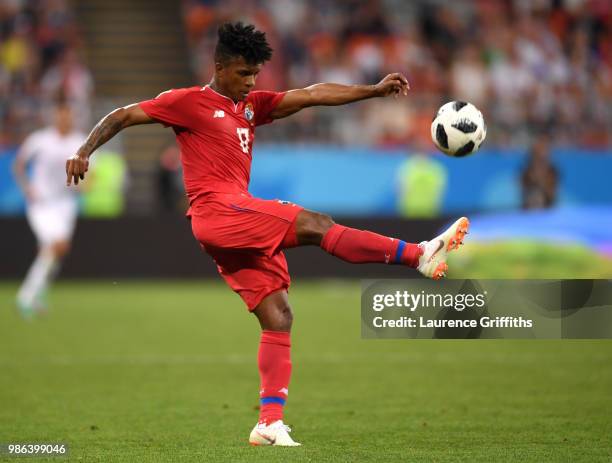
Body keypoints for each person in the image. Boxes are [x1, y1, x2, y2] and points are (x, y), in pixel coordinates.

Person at [65, 22, 469, 446]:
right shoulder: (188, 102)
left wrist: (370, 91)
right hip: (218, 211)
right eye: (243, 74)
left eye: (255, 74)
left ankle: (269, 424)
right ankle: (418, 254)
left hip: (229, 219)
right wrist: (83, 151)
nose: (250, 82)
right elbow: (123, 114)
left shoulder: (252, 106)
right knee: (317, 224)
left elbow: (312, 95)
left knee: (278, 316)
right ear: (219, 67)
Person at [13, 101, 86, 317]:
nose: (65, 119)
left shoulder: (79, 141)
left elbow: (89, 173)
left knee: (53, 251)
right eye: (61, 115)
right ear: (55, 117)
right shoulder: (40, 140)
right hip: (41, 204)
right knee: (57, 246)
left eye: (68, 115)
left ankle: (38, 295)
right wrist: (27, 187)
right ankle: (25, 297)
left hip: (66, 204)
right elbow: (18, 164)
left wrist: (84, 184)